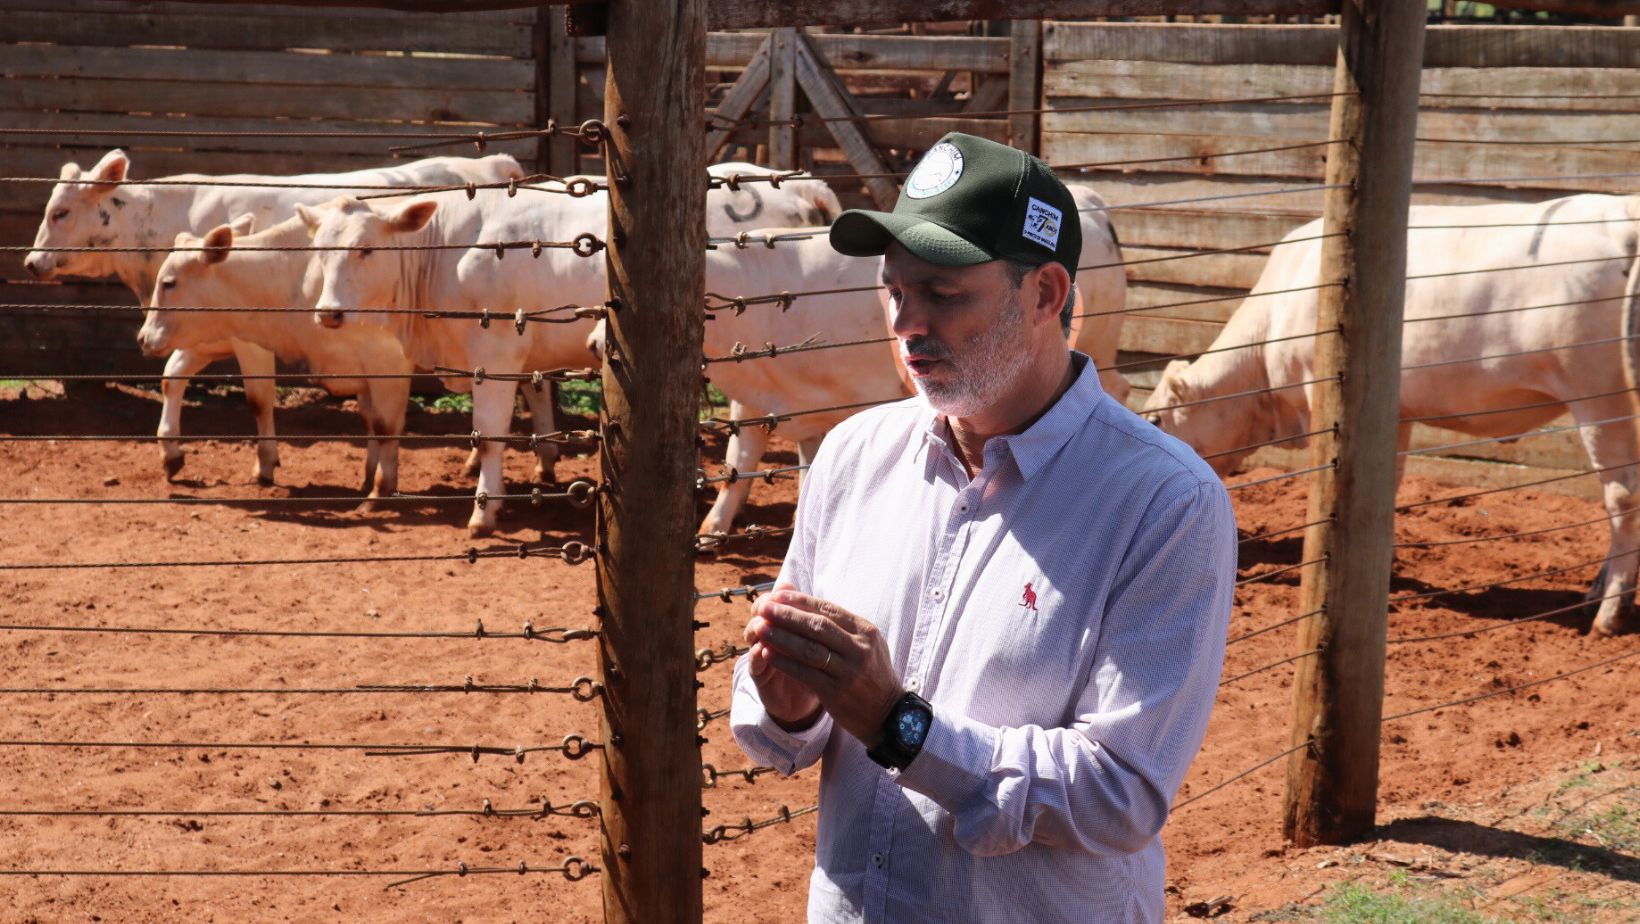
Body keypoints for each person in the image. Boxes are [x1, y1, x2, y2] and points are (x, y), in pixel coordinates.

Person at [730, 131, 1236, 924]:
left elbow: (1121, 793)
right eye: (894, 291)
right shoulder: (853, 456)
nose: (906, 322)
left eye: (944, 293)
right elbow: (780, 733)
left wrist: (900, 727)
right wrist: (791, 701)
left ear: (1045, 294)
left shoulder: (1164, 503)